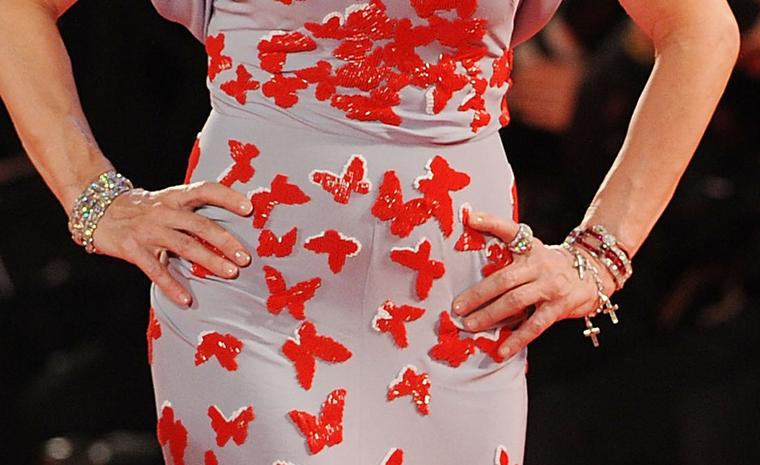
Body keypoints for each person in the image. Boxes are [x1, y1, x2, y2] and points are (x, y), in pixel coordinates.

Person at [0, 0, 739, 464]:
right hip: (250, 296)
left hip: (456, 314)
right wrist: (96, 197)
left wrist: (600, 254)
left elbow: (702, 29)